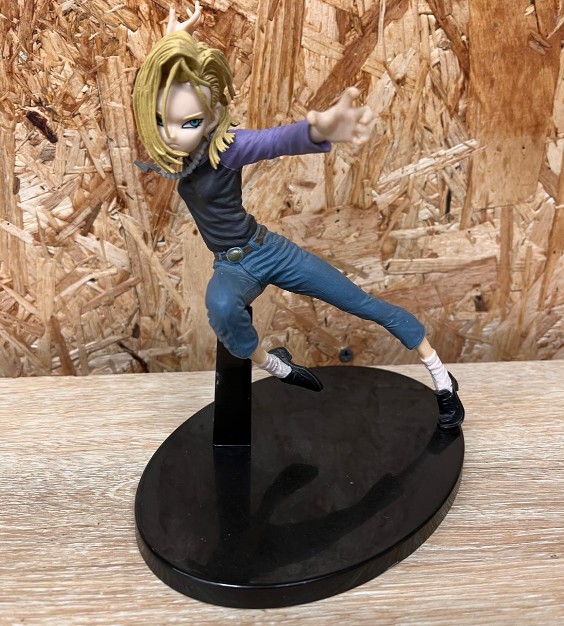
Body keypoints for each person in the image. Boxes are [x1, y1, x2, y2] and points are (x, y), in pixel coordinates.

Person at [132, 5, 464, 429]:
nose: (173, 134)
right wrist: (171, 44)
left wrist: (319, 130)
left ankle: (441, 378)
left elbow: (275, 140)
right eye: (162, 122)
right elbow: (161, 95)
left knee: (359, 303)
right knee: (221, 310)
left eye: (190, 122)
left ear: (212, 116)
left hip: (268, 251)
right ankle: (278, 367)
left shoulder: (227, 148)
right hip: (230, 267)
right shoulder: (174, 159)